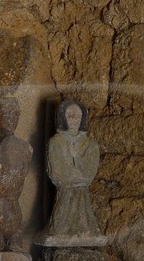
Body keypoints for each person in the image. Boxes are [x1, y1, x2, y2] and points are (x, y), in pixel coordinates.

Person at [42, 99, 103, 243]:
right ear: (63, 117)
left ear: (82, 118)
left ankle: (84, 229)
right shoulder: (56, 142)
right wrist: (72, 173)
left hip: (82, 193)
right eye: (70, 114)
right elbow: (56, 170)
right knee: (61, 221)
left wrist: (75, 158)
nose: (74, 119)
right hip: (64, 191)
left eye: (77, 115)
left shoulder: (91, 144)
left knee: (84, 216)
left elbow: (89, 171)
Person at [0, 95, 30, 252]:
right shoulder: (23, 147)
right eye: (5, 115)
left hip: (6, 209)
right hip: (5, 209)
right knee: (0, 246)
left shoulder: (18, 146)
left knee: (0, 243)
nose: (10, 120)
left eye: (13, 115)